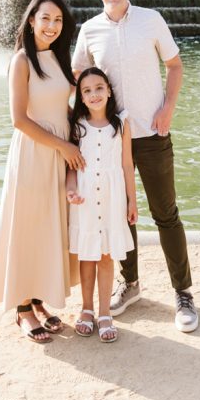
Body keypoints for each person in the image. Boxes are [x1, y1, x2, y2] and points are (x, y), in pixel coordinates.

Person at [72, 0, 198, 333]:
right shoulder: (90, 30)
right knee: (119, 216)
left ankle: (183, 292)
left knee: (165, 214)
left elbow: (175, 65)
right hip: (110, 141)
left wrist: (169, 108)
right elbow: (80, 77)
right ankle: (131, 285)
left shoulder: (151, 19)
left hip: (152, 133)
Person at [0, 0, 83, 343]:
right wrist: (64, 146)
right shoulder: (22, 61)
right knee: (27, 226)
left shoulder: (59, 58)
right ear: (31, 20)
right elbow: (19, 120)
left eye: (58, 20)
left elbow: (62, 108)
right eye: (45, 19)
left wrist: (89, 129)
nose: (52, 26)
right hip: (33, 153)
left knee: (50, 227)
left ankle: (39, 299)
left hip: (59, 155)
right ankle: (23, 309)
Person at [66, 67, 137, 343]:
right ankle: (86, 309)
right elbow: (71, 167)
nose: (94, 94)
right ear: (81, 98)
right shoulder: (77, 126)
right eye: (87, 90)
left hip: (112, 197)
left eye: (99, 88)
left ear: (109, 90)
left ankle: (105, 312)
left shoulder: (121, 124)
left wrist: (132, 200)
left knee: (106, 255)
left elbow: (127, 165)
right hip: (84, 198)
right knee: (87, 255)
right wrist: (71, 190)